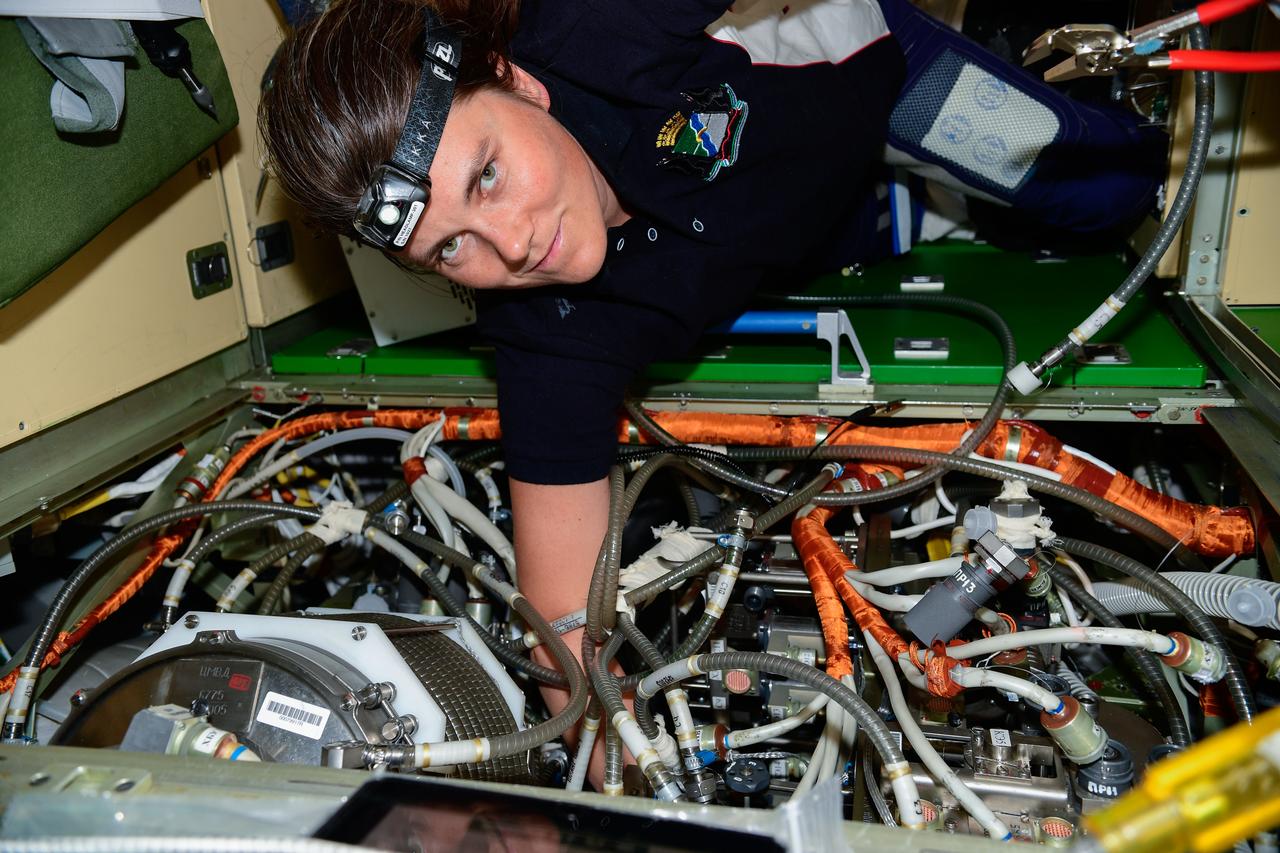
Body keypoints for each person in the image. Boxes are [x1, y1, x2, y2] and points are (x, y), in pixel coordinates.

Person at [261, 0, 1163, 730]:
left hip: (870, 72)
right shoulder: (550, 330)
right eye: (452, 249)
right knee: (920, 224)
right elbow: (563, 617)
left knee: (1105, 190)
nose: (513, 246)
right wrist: (601, 778)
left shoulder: (603, 24)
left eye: (487, 175)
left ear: (519, 82)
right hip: (809, 220)